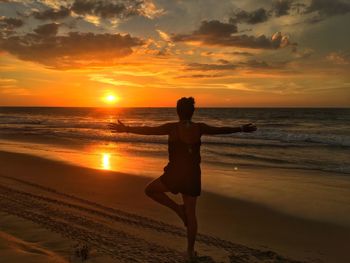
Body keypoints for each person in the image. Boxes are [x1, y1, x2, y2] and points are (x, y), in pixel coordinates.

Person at [108, 97, 257, 261]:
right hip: (192, 174)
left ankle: (178, 210)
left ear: (177, 111)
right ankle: (190, 252)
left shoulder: (172, 128)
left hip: (175, 173)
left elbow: (149, 129)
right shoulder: (200, 128)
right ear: (192, 112)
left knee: (150, 190)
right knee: (191, 214)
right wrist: (241, 128)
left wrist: (126, 129)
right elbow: (222, 130)